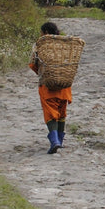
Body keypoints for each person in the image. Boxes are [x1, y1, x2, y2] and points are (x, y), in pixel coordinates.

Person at [29, 21, 71, 154]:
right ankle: (60, 139)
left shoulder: (40, 46)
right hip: (64, 86)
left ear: (46, 32)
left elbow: (32, 64)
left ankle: (54, 141)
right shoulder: (65, 45)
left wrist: (42, 72)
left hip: (47, 86)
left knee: (50, 113)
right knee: (61, 112)